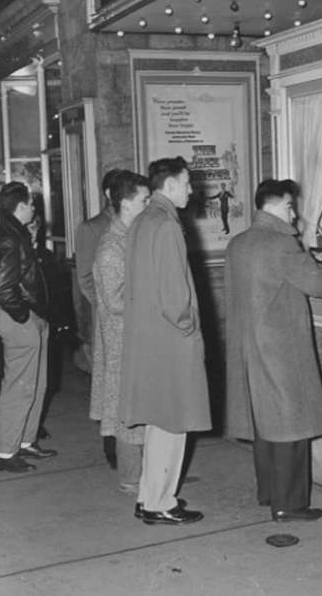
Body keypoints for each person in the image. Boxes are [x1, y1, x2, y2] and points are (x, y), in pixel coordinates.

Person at [224, 179, 322, 522]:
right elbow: (321, 284)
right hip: (281, 349)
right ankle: (289, 504)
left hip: (250, 346)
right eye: (291, 206)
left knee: (265, 426)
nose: (295, 213)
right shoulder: (282, 245)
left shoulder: (238, 243)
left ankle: (269, 492)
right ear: (276, 206)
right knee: (291, 427)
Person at [119, 156, 210, 525]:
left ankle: (149, 496)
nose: (192, 190)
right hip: (171, 341)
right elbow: (175, 296)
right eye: (187, 183)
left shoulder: (143, 220)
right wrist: (189, 329)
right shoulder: (168, 224)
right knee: (174, 425)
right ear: (169, 185)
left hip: (148, 338)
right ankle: (161, 503)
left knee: (160, 424)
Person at [90, 171, 152, 495]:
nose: (148, 204)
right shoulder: (111, 247)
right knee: (127, 413)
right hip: (123, 341)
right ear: (126, 203)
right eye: (144, 199)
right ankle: (131, 478)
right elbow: (116, 301)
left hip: (134, 338)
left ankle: (140, 475)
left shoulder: (128, 238)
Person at [0, 182, 58, 473]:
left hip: (32, 319)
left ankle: (25, 441)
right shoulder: (9, 239)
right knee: (19, 388)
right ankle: (6, 453)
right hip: (21, 320)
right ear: (19, 207)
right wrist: (25, 317)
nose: (34, 207)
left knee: (36, 386)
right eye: (31, 203)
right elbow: (4, 289)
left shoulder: (16, 234)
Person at [75, 169, 126, 465]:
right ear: (110, 195)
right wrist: (104, 306)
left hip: (127, 318)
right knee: (109, 385)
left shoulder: (135, 225)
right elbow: (84, 278)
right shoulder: (91, 229)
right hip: (105, 319)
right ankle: (112, 447)